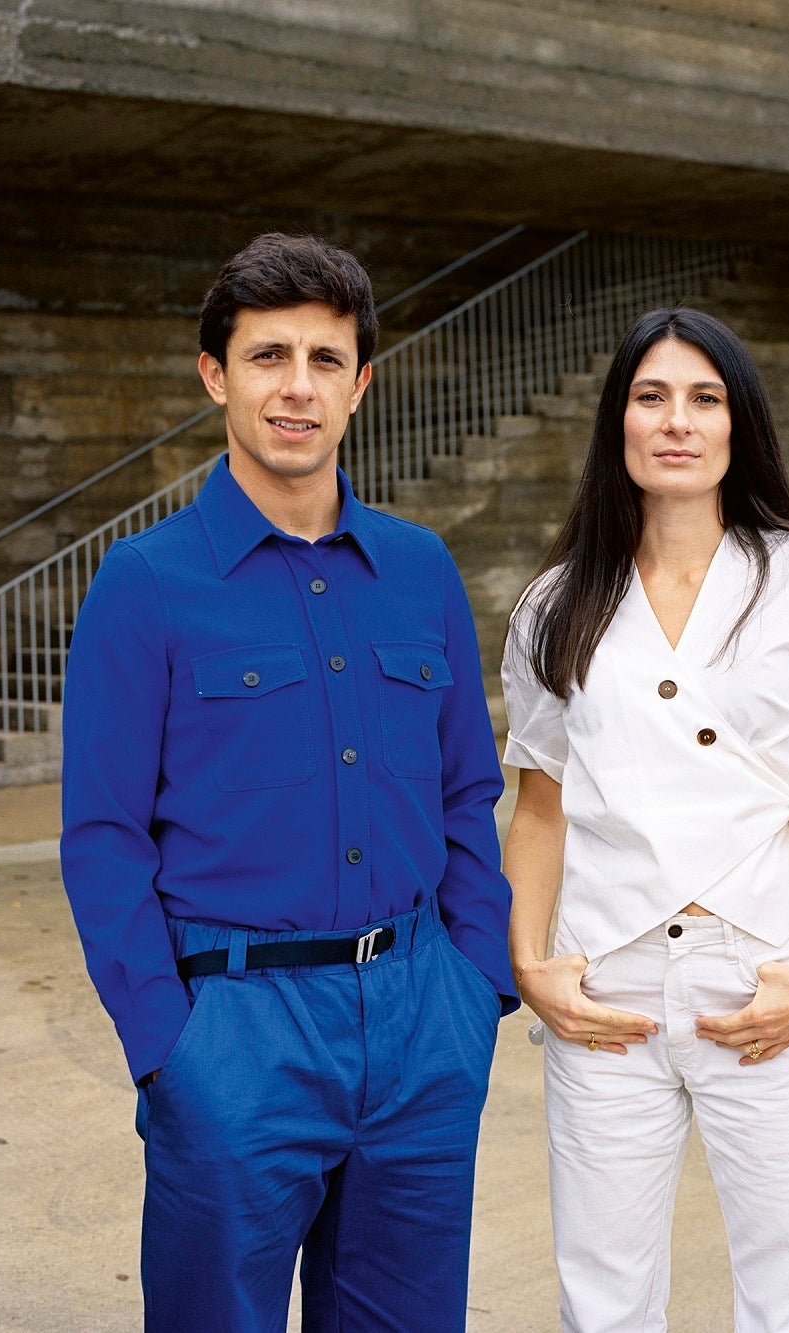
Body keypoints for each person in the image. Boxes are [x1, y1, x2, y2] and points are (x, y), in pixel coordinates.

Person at [61, 231, 518, 1332]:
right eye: (268, 356)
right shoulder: (145, 582)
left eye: (325, 359)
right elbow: (104, 836)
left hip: (422, 1021)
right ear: (215, 375)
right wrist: (170, 1047)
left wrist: (475, 987)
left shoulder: (420, 569)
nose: (297, 387)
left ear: (361, 384)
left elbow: (466, 792)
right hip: (235, 1035)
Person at [501, 307, 789, 1332]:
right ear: (617, 421)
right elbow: (539, 804)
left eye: (704, 397)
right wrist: (531, 964)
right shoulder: (556, 602)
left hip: (763, 974)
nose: (676, 420)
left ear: (738, 421)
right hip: (608, 983)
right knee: (603, 1292)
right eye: (650, 396)